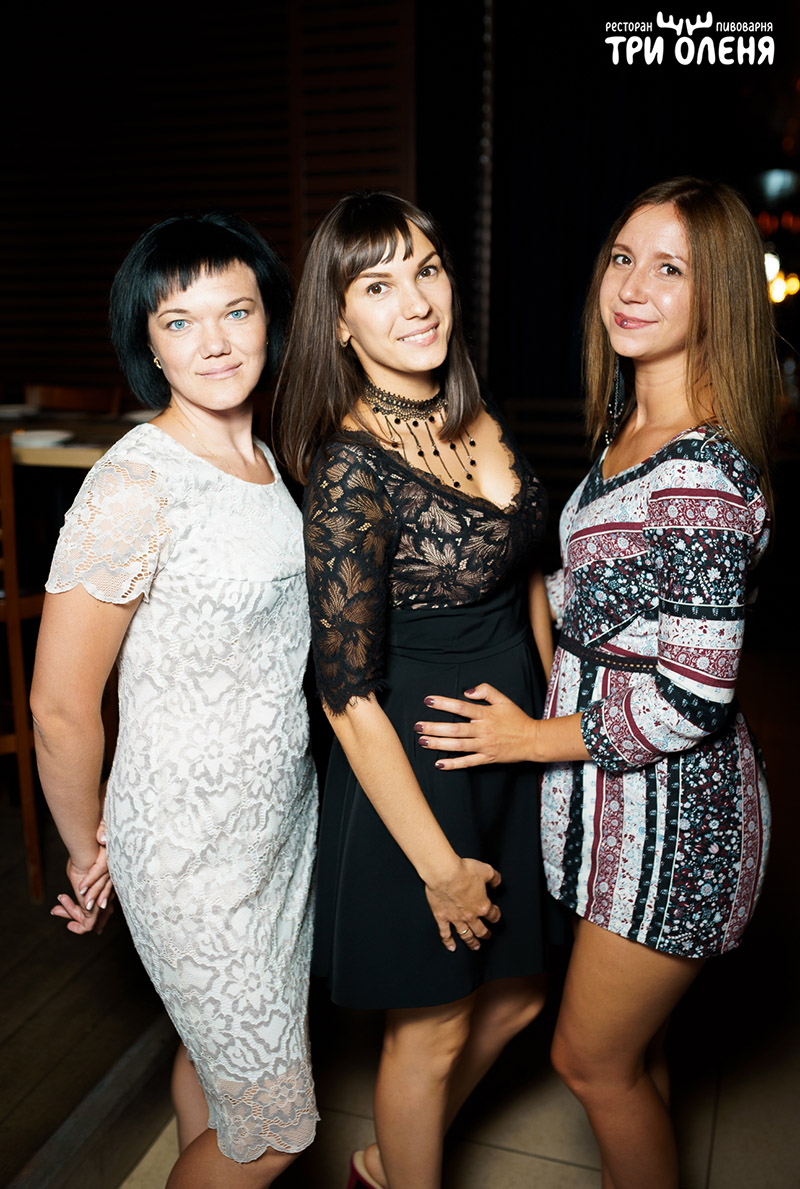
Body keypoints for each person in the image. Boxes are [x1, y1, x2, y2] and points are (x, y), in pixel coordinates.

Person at [414, 177, 777, 1189]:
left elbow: (691, 696)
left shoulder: (699, 472)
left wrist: (526, 738)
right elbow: (598, 594)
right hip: (620, 815)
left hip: (679, 826)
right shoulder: (631, 430)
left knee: (590, 1062)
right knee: (637, 1059)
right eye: (622, 258)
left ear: (719, 296)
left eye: (670, 269)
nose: (631, 286)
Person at [277, 191, 560, 1189]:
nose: (415, 302)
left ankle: (384, 1161)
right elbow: (344, 697)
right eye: (377, 285)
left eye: (426, 270)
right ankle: (404, 1164)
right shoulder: (348, 470)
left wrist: (550, 726)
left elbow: (525, 573)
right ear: (338, 321)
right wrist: (438, 865)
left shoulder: (473, 415)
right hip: (419, 768)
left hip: (509, 749)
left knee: (519, 995)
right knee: (430, 1030)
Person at [30, 213, 318, 1188]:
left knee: (218, 1066)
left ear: (269, 319)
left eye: (236, 311)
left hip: (276, 830)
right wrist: (86, 849)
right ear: (147, 345)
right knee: (275, 1131)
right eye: (179, 321)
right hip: (191, 855)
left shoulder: (263, 459)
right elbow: (60, 704)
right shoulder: (134, 486)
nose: (215, 342)